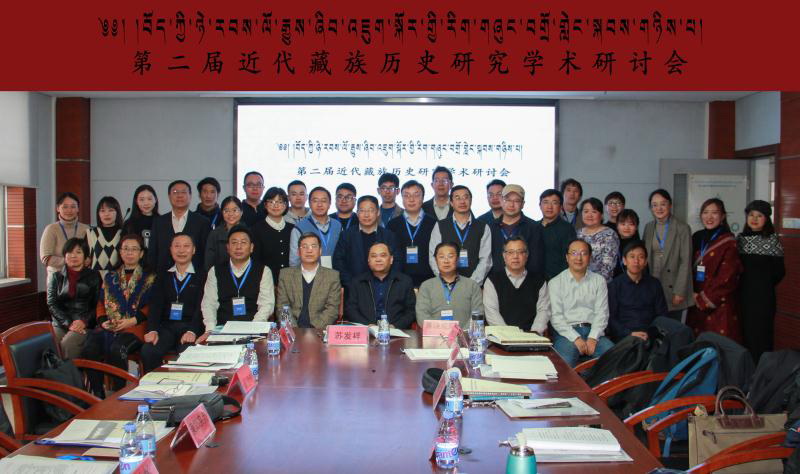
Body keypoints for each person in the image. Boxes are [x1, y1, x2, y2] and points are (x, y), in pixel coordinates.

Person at [82, 234, 156, 395]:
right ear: (120, 252)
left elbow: (153, 305)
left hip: (136, 327)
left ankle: (119, 394)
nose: (129, 253)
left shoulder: (150, 277)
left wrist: (132, 321)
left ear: (141, 253)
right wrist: (103, 321)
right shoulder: (110, 276)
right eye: (126, 249)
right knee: (89, 348)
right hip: (110, 326)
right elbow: (101, 303)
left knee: (117, 349)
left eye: (134, 249)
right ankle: (98, 395)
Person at [141, 233, 205, 373]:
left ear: (194, 250)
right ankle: (153, 385)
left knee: (188, 353)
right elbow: (155, 306)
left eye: (186, 246)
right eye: (177, 246)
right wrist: (152, 330)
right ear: (170, 249)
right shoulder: (162, 275)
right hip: (166, 327)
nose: (181, 250)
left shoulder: (202, 275)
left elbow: (202, 308)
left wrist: (193, 330)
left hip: (190, 326)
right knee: (149, 350)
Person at [198, 225, 275, 341]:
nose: (238, 247)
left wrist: (252, 329)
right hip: (223, 329)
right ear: (228, 247)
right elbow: (209, 304)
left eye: (243, 242)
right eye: (234, 243)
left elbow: (266, 305)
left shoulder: (264, 270)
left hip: (253, 328)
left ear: (251, 247)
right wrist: (210, 330)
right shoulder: (215, 271)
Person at [546, 239, 613, 367]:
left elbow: (602, 314)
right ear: (567, 257)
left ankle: (589, 378)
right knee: (565, 364)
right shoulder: (555, 283)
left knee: (615, 359)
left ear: (590, 257)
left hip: (594, 332)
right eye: (574, 253)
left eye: (583, 253)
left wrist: (593, 337)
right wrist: (575, 338)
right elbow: (556, 317)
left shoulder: (599, 281)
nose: (579, 258)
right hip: (566, 333)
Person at [686, 198, 743, 341]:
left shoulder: (728, 241)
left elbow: (727, 277)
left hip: (719, 304)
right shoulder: (697, 237)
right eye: (705, 212)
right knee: (697, 345)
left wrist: (703, 299)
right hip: (695, 300)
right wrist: (691, 294)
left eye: (714, 213)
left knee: (718, 345)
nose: (709, 217)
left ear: (723, 216)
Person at [737, 200, 785, 361]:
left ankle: (762, 370)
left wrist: (762, 285)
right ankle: (746, 371)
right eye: (751, 215)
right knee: (744, 334)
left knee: (762, 336)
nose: (754, 219)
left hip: (764, 298)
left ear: (767, 219)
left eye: (759, 216)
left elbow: (779, 272)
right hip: (743, 296)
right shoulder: (740, 239)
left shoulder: (772, 240)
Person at [642, 189, 693, 320]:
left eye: (663, 204)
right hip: (653, 286)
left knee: (672, 327)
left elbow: (685, 262)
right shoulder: (648, 227)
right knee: (655, 326)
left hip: (673, 287)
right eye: (654, 205)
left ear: (670, 205)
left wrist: (679, 291)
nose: (659, 208)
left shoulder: (682, 228)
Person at [46, 238, 101, 359]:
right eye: (69, 252)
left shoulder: (94, 276)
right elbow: (51, 304)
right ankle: (53, 372)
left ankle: (72, 372)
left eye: (78, 252)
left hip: (84, 324)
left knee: (68, 344)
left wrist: (83, 321)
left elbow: (97, 304)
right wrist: (68, 323)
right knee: (48, 343)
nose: (73, 256)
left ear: (85, 256)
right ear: (65, 255)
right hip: (61, 323)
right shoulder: (56, 277)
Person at [428, 185, 492, 284]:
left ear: (471, 200)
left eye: (465, 197)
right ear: (451, 203)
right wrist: (446, 280)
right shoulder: (440, 226)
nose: (462, 201)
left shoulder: (483, 227)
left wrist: (471, 284)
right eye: (457, 198)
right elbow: (433, 257)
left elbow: (486, 260)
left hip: (474, 285)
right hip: (446, 284)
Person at [484, 237, 549, 332]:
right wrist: (510, 335)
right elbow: (492, 313)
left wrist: (534, 334)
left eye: (520, 252)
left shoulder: (539, 281)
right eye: (510, 252)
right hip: (503, 336)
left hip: (532, 335)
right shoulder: (492, 280)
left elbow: (543, 311)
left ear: (526, 255)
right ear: (504, 256)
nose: (515, 256)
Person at [276, 233, 342, 329]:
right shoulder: (285, 275)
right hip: (292, 331)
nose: (309, 250)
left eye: (313, 246)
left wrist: (314, 330)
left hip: (319, 330)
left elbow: (332, 310)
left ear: (320, 251)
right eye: (304, 247)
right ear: (298, 252)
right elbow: (282, 307)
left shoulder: (332, 276)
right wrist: (293, 330)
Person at [607, 241, 668, 342]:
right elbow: (611, 318)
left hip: (650, 335)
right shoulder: (614, 286)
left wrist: (650, 333)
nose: (636, 261)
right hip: (624, 336)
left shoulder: (654, 284)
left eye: (641, 257)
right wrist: (629, 333)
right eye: (632, 257)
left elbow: (662, 314)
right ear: (624, 261)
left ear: (645, 262)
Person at [345, 242, 416, 328]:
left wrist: (395, 326)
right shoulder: (357, 282)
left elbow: (411, 311)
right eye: (374, 256)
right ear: (368, 260)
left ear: (391, 259)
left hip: (396, 330)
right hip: (367, 330)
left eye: (383, 255)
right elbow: (351, 310)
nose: (378, 259)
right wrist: (367, 325)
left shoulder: (404, 281)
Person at [333, 196, 398, 288]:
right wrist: (352, 284)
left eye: (371, 210)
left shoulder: (389, 236)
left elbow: (396, 262)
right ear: (357, 213)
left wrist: (385, 284)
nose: (366, 215)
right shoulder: (346, 235)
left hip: (383, 288)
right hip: (352, 288)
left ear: (378, 212)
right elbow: (338, 262)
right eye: (362, 210)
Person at [416, 242, 484, 328]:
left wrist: (461, 333)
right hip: (435, 335)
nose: (446, 261)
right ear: (436, 260)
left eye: (450, 256)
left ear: (458, 259)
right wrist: (439, 332)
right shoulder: (426, 286)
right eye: (441, 257)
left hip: (465, 335)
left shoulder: (472, 285)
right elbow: (422, 317)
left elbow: (478, 315)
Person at [148, 180, 210, 273]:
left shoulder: (202, 222)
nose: (179, 195)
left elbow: (206, 253)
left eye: (183, 192)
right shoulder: (159, 222)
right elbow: (153, 252)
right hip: (163, 275)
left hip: (194, 276)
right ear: (169, 196)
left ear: (190, 196)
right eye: (175, 192)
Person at [387, 180, 436, 287]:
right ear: (402, 199)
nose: (411, 199)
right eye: (406, 195)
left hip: (429, 280)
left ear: (423, 198)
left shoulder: (434, 223)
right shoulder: (392, 225)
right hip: (399, 282)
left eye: (416, 195)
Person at [489, 184, 544, 277]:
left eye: (517, 201)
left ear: (522, 204)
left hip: (525, 280)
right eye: (508, 200)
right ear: (501, 201)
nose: (511, 204)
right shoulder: (490, 227)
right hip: (495, 281)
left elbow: (536, 261)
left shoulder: (534, 227)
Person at [289, 186, 342, 268]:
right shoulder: (299, 228)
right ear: (309, 203)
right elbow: (294, 262)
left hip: (336, 274)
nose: (319, 205)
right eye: (315, 201)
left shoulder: (338, 225)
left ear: (329, 204)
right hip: (309, 274)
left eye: (323, 201)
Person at [252, 187, 295, 285]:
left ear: (285, 205)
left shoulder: (293, 229)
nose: (276, 205)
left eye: (280, 202)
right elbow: (255, 260)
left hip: (290, 283)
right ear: (265, 204)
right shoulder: (256, 229)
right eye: (271, 202)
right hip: (265, 283)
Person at [40, 192, 90, 275]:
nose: (69, 210)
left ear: (78, 208)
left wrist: (87, 260)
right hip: (57, 277)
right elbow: (46, 258)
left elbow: (91, 255)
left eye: (73, 207)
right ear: (58, 208)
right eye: (65, 207)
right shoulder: (51, 229)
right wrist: (70, 261)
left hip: (82, 276)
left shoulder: (86, 229)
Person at [577, 197, 619, 282]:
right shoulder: (578, 234)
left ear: (601, 215)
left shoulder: (609, 235)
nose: (589, 215)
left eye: (594, 212)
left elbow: (608, 266)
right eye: (586, 211)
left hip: (600, 283)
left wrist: (592, 284)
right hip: (578, 282)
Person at [539, 189, 577, 280]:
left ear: (560, 207)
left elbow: (570, 258)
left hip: (559, 280)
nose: (549, 207)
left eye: (554, 203)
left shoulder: (567, 229)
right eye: (545, 202)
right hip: (535, 281)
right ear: (540, 206)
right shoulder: (533, 227)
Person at [87, 196, 123, 278]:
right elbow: (86, 259)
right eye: (102, 211)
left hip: (118, 279)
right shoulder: (91, 233)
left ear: (117, 212)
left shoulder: (124, 233)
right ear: (98, 214)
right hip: (95, 280)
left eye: (111, 210)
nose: (106, 214)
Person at [204, 196, 243, 271]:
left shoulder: (249, 233)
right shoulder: (214, 234)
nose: (230, 214)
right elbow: (209, 262)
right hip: (218, 275)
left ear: (241, 212)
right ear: (222, 212)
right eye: (226, 210)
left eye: (235, 210)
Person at [122, 184, 159, 250]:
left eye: (149, 199)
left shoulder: (163, 222)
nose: (146, 203)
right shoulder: (129, 224)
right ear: (136, 201)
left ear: (155, 200)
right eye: (142, 199)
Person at [613, 209, 641, 278]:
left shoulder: (640, 247)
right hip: (614, 281)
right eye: (623, 224)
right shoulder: (612, 243)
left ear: (636, 227)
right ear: (617, 226)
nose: (626, 227)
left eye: (631, 224)